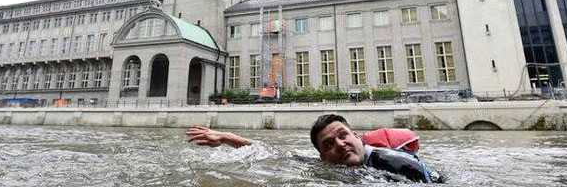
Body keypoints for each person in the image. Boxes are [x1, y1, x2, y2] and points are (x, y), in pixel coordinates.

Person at [186, 114, 442, 183]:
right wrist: (227, 137)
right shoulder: (326, 165)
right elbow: (277, 154)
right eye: (329, 144)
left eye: (343, 136)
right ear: (323, 156)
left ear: (356, 136)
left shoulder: (396, 163)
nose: (340, 145)